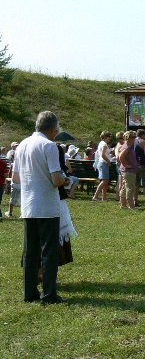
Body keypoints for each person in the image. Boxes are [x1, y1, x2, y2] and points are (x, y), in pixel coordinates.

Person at [13, 111, 70, 305]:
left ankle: (29, 292)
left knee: (31, 251)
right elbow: (56, 180)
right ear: (53, 128)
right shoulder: (49, 146)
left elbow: (16, 178)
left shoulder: (22, 145)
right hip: (46, 206)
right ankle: (49, 293)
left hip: (28, 205)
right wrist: (65, 180)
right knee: (49, 251)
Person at [118, 131, 139, 211]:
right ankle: (131, 206)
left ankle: (123, 204)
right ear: (128, 138)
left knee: (124, 187)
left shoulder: (126, 145)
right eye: (133, 137)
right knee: (130, 188)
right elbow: (121, 156)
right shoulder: (127, 147)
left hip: (125, 171)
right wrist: (126, 165)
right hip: (128, 171)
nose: (134, 138)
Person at [92, 130, 113, 202]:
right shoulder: (104, 144)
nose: (110, 138)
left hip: (101, 163)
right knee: (104, 181)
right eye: (109, 137)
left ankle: (104, 197)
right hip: (103, 163)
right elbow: (103, 154)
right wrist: (108, 161)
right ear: (107, 137)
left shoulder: (101, 143)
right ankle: (95, 196)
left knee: (105, 180)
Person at [134, 129, 145, 207]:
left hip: (134, 165)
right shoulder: (143, 142)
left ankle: (135, 200)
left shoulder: (133, 141)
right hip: (141, 163)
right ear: (142, 135)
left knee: (136, 184)